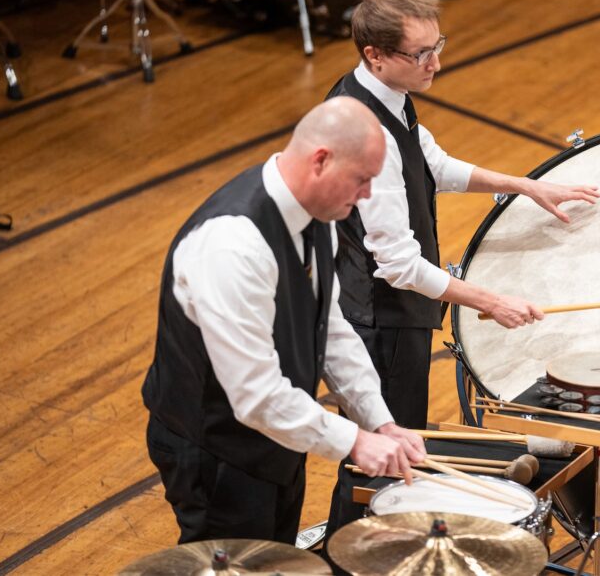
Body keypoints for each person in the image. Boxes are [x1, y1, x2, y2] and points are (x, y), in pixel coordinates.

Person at [323, 0, 600, 537]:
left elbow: (434, 164)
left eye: (438, 46)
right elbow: (398, 265)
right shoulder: (364, 130)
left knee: (391, 455)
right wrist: (489, 301)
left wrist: (525, 186)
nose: (436, 64)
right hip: (381, 321)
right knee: (381, 463)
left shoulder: (388, 95)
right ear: (375, 55)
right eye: (421, 54)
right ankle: (348, 554)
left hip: (394, 313)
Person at [141, 97, 426, 545]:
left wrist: (380, 421)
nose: (368, 194)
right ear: (320, 161)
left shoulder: (320, 214)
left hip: (278, 435)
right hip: (216, 449)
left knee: (276, 559)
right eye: (362, 179)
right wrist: (353, 441)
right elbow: (254, 394)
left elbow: (329, 329)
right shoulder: (233, 245)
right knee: (234, 568)